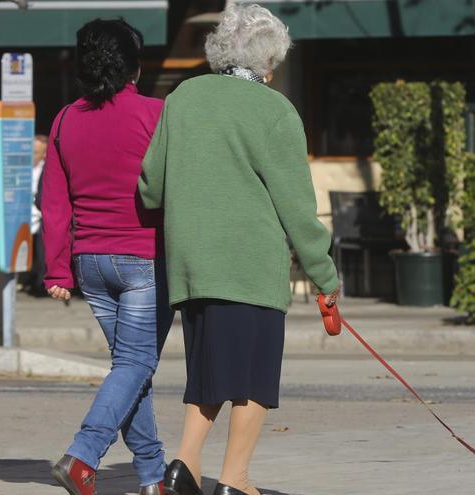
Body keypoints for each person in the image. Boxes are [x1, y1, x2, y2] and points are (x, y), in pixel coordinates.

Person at [139, 5, 340, 495]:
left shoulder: (183, 97)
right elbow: (297, 208)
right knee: (251, 378)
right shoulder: (275, 111)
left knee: (207, 371)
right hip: (248, 262)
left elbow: (150, 187)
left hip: (191, 262)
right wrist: (325, 276)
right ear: (270, 61)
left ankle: (183, 466)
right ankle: (235, 481)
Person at [42, 18, 172, 495]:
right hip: (142, 258)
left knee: (130, 369)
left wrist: (57, 268)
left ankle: (153, 478)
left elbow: (55, 201)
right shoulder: (156, 114)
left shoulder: (64, 119)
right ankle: (82, 455)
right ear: (135, 67)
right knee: (136, 365)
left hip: (89, 261)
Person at [20, 134, 48, 296]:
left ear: (44, 154)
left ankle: (40, 285)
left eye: (35, 152)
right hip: (22, 218)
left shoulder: (48, 170)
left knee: (42, 253)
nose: (31, 156)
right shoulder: (20, 169)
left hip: (41, 218)